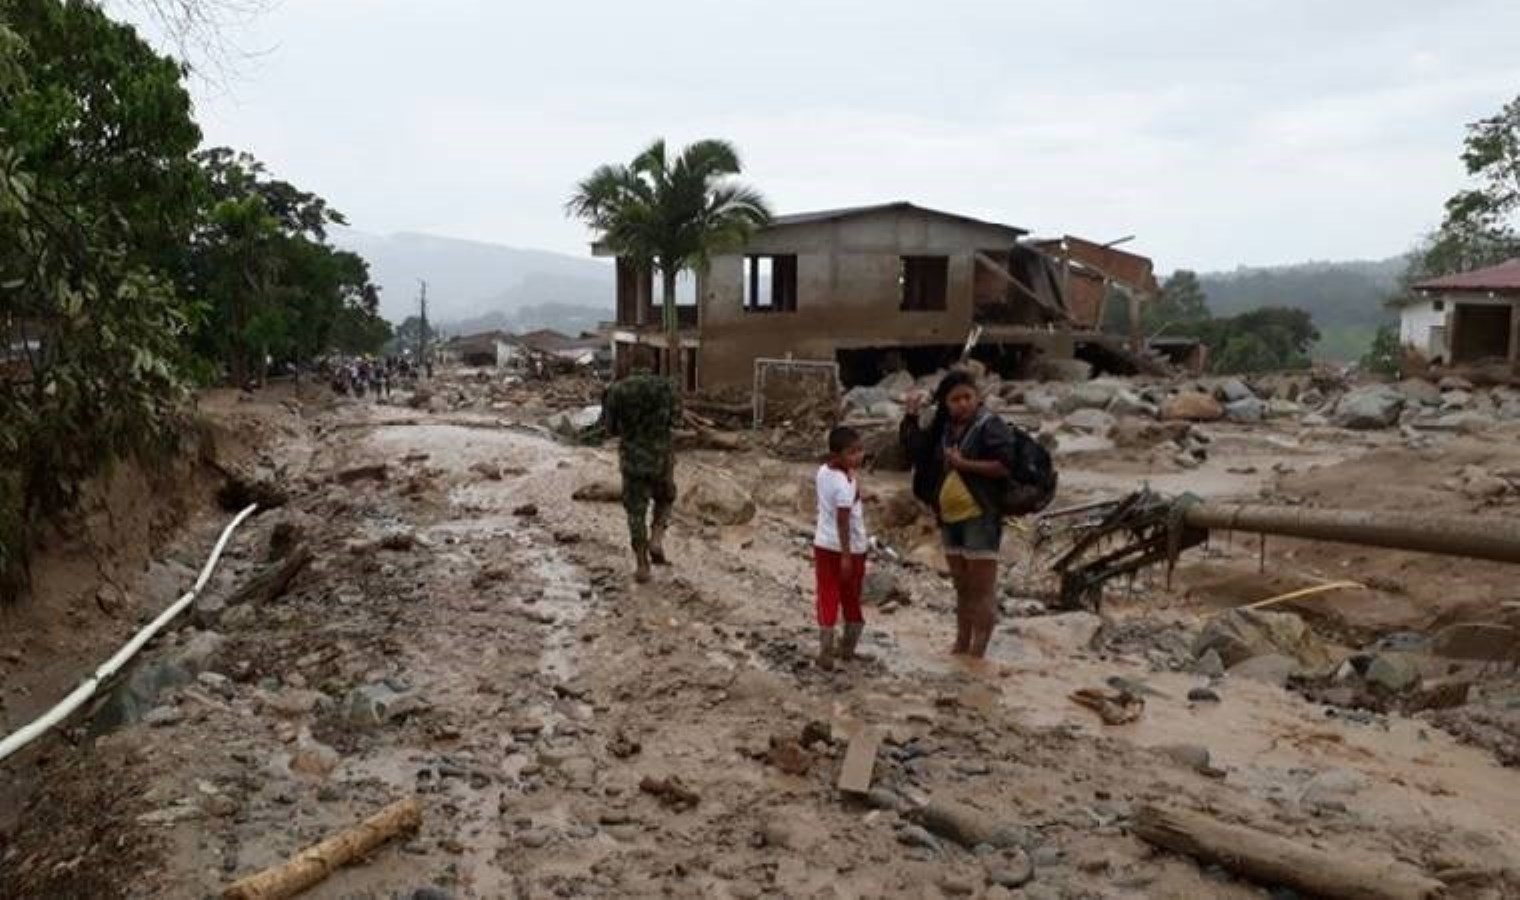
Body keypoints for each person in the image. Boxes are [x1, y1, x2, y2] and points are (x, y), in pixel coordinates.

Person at [901, 369, 1016, 658]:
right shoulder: (944, 430)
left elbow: (1004, 465)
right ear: (945, 403)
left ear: (978, 398)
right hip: (950, 519)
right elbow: (915, 451)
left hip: (981, 516)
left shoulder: (991, 426)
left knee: (981, 588)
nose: (963, 403)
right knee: (962, 587)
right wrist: (911, 415)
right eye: (955, 399)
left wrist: (964, 464)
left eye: (968, 397)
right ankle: (961, 644)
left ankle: (978, 653)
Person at [600, 366, 680, 582]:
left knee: (635, 511)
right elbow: (677, 421)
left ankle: (642, 563)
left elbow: (609, 429)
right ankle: (656, 539)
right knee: (666, 498)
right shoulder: (666, 387)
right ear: (650, 363)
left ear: (631, 364)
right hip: (661, 457)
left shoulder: (617, 390)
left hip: (632, 460)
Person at [813, 426, 871, 671]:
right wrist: (847, 556)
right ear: (837, 455)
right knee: (850, 596)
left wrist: (863, 496)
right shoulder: (843, 484)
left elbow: (843, 503)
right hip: (850, 548)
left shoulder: (825, 472)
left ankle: (826, 649)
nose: (858, 456)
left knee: (827, 593)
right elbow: (843, 519)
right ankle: (847, 648)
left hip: (823, 544)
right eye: (852, 452)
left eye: (860, 450)